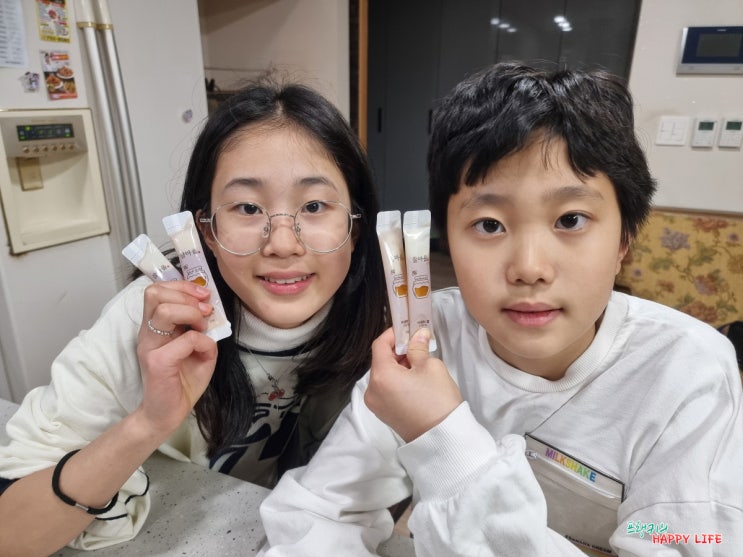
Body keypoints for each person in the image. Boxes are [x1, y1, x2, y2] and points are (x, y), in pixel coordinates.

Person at [258, 63, 743, 556]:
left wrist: (442, 439)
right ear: (447, 239)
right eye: (489, 225)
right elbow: (322, 509)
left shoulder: (687, 372)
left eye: (571, 219)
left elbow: (688, 543)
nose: (529, 269)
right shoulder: (428, 337)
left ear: (624, 240)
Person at [0, 80, 387, 555]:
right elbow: (10, 533)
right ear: (205, 230)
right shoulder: (152, 320)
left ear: (355, 226)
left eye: (314, 206)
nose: (283, 244)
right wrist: (149, 421)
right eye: (248, 207)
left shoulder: (368, 321)